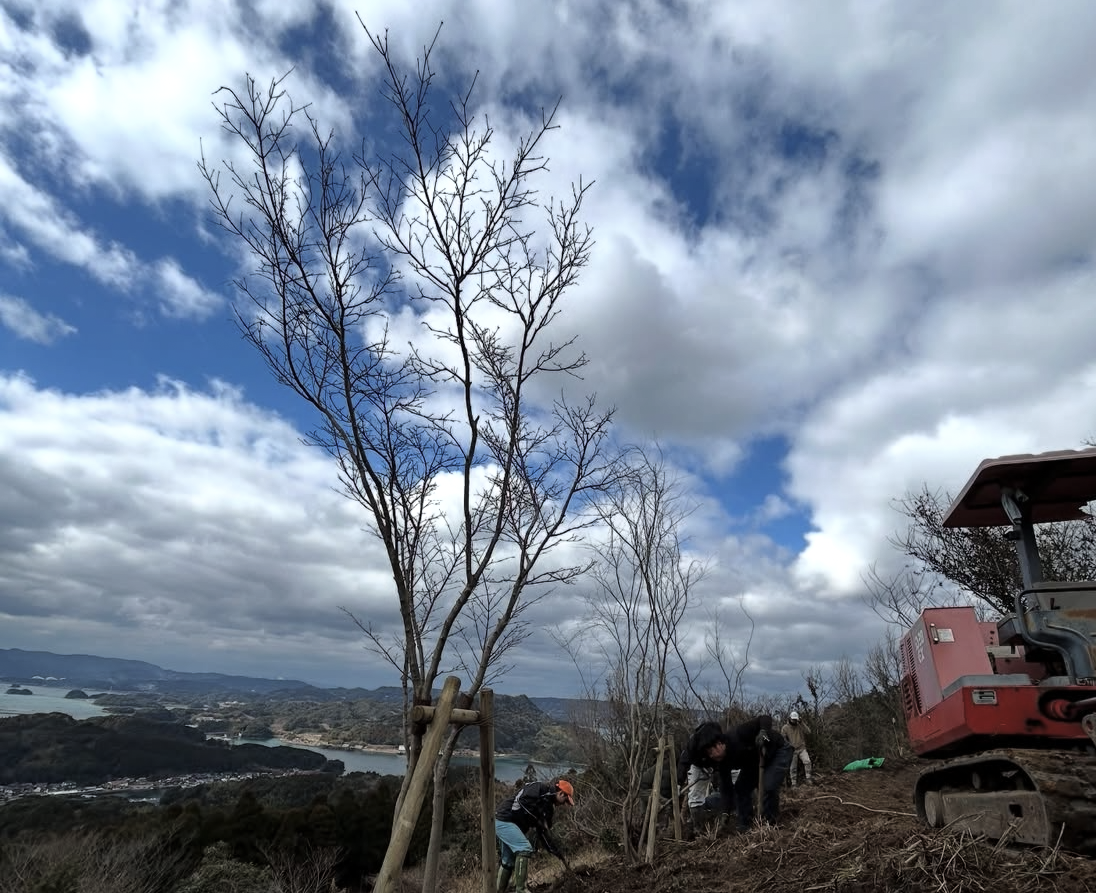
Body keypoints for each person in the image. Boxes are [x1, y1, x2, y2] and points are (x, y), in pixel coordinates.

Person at [695, 715, 793, 831]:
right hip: (754, 763)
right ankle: (744, 824)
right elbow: (726, 788)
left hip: (777, 751)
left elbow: (764, 718)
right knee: (741, 789)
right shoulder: (721, 763)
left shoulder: (739, 734)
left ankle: (769, 824)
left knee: (768, 786)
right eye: (709, 754)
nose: (711, 756)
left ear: (719, 744)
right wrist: (725, 813)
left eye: (711, 752)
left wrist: (763, 732)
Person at [494, 778, 574, 892]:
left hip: (510, 824)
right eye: (565, 800)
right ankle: (521, 890)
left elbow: (543, 834)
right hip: (504, 819)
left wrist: (556, 852)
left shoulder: (548, 808)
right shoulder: (539, 788)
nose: (564, 804)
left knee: (508, 861)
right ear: (561, 793)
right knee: (524, 848)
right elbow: (520, 801)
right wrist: (537, 818)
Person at [780, 710, 813, 786]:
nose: (794, 721)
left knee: (807, 761)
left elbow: (808, 732)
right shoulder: (785, 728)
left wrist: (802, 723)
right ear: (790, 718)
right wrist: (789, 745)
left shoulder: (800, 726)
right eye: (793, 719)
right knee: (793, 767)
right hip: (792, 750)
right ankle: (794, 783)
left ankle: (808, 778)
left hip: (801, 748)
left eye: (795, 719)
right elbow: (783, 738)